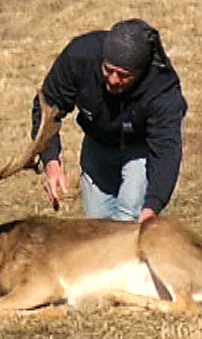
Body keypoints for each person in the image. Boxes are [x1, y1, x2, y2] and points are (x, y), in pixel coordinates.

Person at [31, 18, 187, 222]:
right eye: (108, 70)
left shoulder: (162, 91)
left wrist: (152, 207)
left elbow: (167, 151)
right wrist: (51, 160)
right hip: (98, 146)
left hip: (139, 149)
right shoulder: (80, 57)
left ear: (140, 73)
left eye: (123, 75)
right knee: (96, 228)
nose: (113, 80)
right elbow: (47, 108)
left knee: (128, 219)